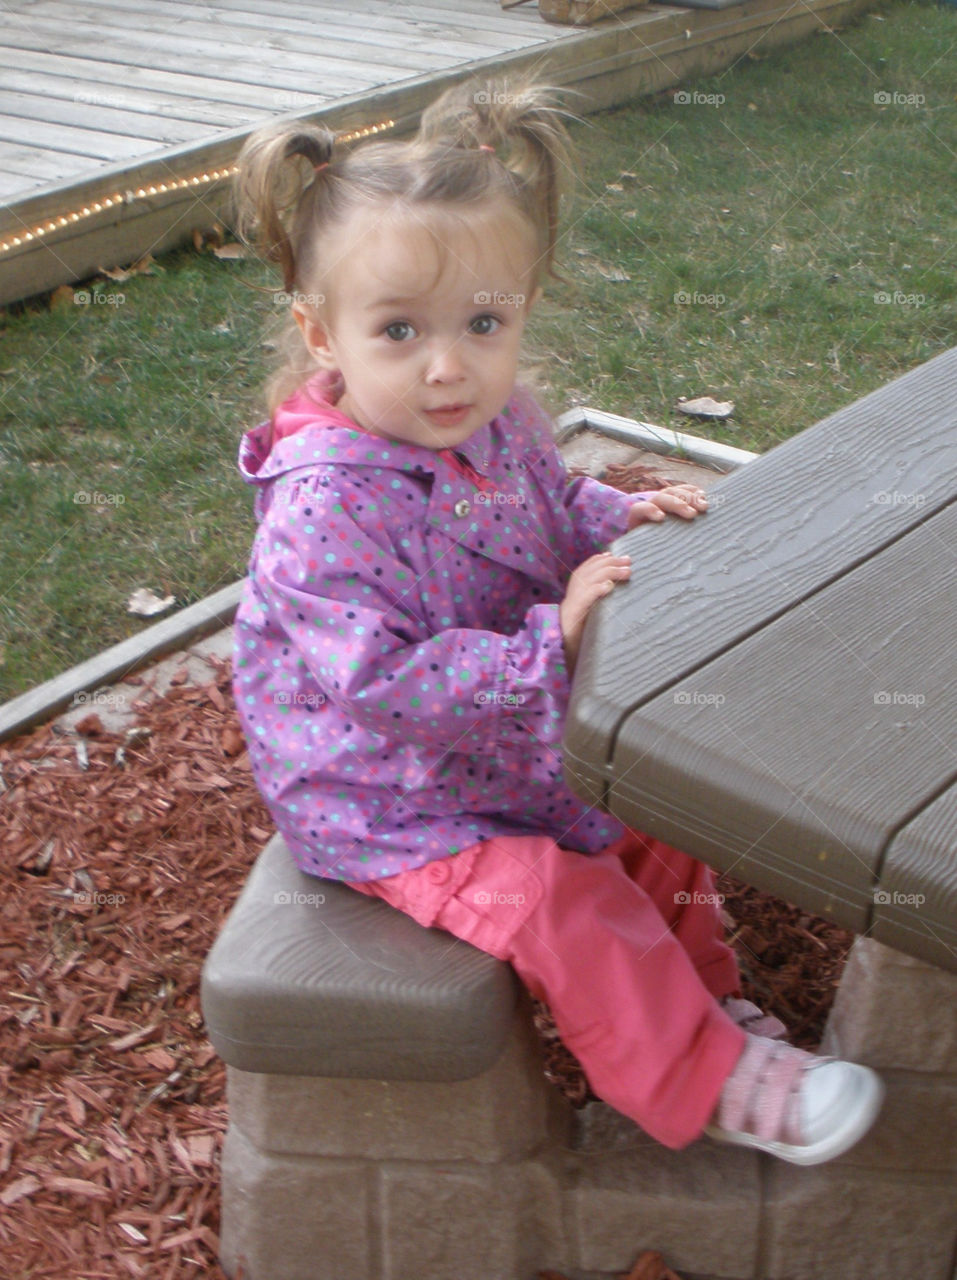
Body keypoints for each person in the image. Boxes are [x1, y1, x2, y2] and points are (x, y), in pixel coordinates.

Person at [230, 78, 884, 1165]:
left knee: (656, 823)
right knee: (559, 895)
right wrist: (553, 642)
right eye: (400, 329)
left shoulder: (493, 420)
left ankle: (710, 1013)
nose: (449, 364)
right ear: (320, 333)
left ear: (522, 305)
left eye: (482, 322)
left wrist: (617, 510)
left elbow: (541, 505)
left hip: (499, 743)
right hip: (388, 792)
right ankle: (701, 1079)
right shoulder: (324, 503)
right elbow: (381, 684)